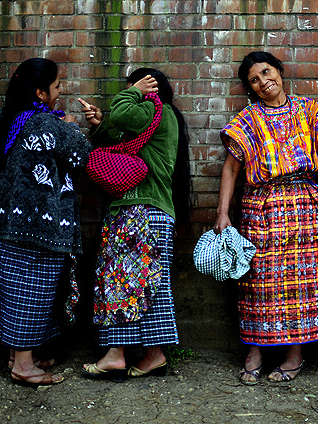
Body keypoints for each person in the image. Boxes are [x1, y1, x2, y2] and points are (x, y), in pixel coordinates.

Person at [215, 51, 318, 385]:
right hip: (262, 208)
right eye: (254, 80)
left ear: (280, 71)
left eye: (267, 72)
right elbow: (231, 168)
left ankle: (294, 355)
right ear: (250, 88)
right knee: (259, 281)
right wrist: (222, 212)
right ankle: (255, 352)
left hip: (304, 207)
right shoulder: (247, 120)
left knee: (302, 283)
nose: (263, 81)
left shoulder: (309, 110)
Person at [79, 68, 190, 382]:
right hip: (146, 213)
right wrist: (101, 125)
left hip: (140, 212)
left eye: (138, 90)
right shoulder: (154, 118)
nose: (133, 95)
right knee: (149, 288)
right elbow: (121, 143)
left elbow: (124, 115)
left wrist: (133, 92)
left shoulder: (158, 110)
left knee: (120, 283)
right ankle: (153, 355)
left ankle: (116, 354)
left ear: (150, 90)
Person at [0, 58, 92, 386]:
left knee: (16, 291)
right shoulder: (47, 124)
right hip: (41, 226)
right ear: (39, 92)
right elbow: (84, 157)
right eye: (57, 86)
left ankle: (18, 356)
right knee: (34, 294)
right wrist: (73, 126)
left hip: (8, 221)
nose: (60, 91)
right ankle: (23, 365)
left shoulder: (3, 118)